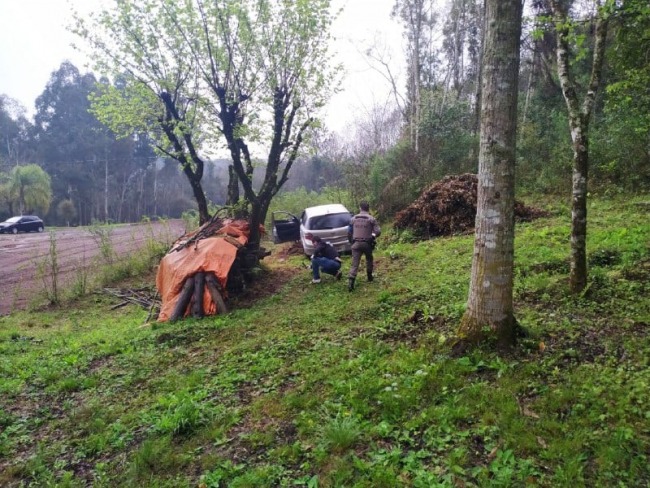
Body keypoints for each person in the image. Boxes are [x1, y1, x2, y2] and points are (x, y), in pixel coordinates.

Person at [347, 201, 381, 291]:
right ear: (368, 208)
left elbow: (349, 232)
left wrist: (351, 242)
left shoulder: (353, 219)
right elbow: (378, 231)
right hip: (367, 244)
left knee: (355, 263)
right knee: (369, 259)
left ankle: (351, 281)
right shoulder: (371, 219)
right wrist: (373, 236)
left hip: (355, 244)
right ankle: (369, 276)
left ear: (360, 208)